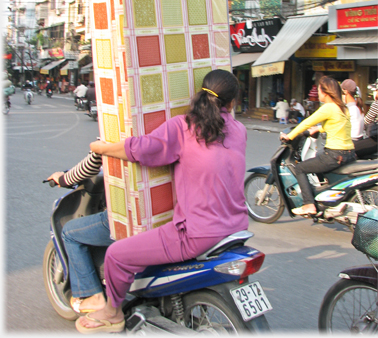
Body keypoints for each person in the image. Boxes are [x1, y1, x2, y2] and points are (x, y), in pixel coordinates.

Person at [75, 69, 249, 333]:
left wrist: (101, 148)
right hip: (237, 228)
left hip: (197, 234)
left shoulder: (186, 127)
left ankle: (112, 312)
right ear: (232, 102)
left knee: (116, 255)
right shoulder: (240, 131)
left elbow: (141, 148)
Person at [47, 151, 114, 314]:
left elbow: (92, 162)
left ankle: (91, 295)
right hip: (166, 216)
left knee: (70, 233)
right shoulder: (165, 128)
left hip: (127, 219)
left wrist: (63, 178)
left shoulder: (115, 129)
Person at [280, 76, 356, 216]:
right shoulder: (342, 108)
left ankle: (308, 204)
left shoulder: (328, 107)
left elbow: (306, 123)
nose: (318, 94)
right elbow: (339, 126)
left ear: (326, 92)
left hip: (334, 154)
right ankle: (323, 197)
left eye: (319, 90)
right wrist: (320, 129)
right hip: (349, 153)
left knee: (300, 168)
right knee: (318, 156)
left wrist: (289, 136)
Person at [354, 79, 378, 159]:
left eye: (376, 90)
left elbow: (366, 121)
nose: (374, 92)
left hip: (377, 140)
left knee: (352, 150)